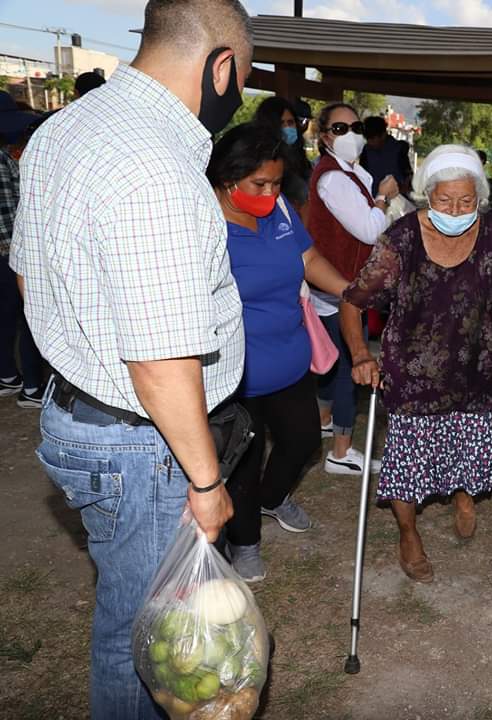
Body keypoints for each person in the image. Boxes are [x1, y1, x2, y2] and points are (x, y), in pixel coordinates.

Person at [10, 1, 252, 715]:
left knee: (132, 615)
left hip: (80, 415)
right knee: (144, 634)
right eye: (242, 80)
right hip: (141, 444)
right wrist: (206, 482)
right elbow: (159, 362)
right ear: (221, 68)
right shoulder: (157, 167)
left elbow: (30, 276)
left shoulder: (63, 128)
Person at [344, 145, 492, 583]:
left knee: (467, 450)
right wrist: (361, 354)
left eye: (466, 201)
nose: (456, 210)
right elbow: (353, 301)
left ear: (479, 198)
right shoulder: (402, 239)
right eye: (445, 200)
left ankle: (463, 494)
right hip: (412, 373)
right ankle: (408, 533)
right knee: (407, 465)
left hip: (473, 369)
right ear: (427, 195)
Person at [208, 123, 353, 581]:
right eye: (259, 184)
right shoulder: (203, 225)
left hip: (290, 359)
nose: (270, 193)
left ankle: (271, 499)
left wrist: (349, 290)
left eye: (276, 183)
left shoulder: (279, 211)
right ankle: (244, 542)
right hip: (237, 373)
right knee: (243, 462)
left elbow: (308, 260)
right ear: (227, 177)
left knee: (304, 440)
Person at [307, 102, 399, 476]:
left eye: (356, 127)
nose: (351, 135)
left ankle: (324, 422)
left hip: (338, 285)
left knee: (333, 363)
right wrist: (383, 198)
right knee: (349, 365)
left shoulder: (350, 171)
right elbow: (369, 229)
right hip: (339, 288)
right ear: (325, 136)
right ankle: (341, 453)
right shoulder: (334, 178)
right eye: (340, 128)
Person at [0, 92, 44, 407]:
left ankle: (7, 375)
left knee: (5, 316)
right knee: (28, 315)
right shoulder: (4, 161)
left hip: (6, 250)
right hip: (8, 250)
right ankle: (32, 387)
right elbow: (11, 212)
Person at [253, 95, 312, 209]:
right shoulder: (262, 161)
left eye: (290, 122)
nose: (287, 128)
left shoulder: (299, 158)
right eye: (281, 123)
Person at [359, 114, 413, 194]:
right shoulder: (366, 151)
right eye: (367, 139)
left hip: (396, 198)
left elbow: (408, 177)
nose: (370, 142)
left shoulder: (399, 150)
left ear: (383, 135)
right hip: (372, 197)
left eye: (373, 139)